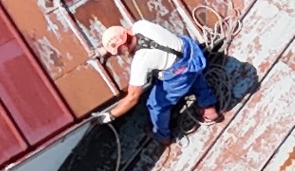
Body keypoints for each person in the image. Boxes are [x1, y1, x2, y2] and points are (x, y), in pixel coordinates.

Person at [91, 20, 220, 141]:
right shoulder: (141, 25)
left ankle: (162, 136)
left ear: (123, 48)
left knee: (156, 105)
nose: (118, 55)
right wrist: (105, 50)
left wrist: (110, 115)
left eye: (118, 52)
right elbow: (128, 33)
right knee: (195, 76)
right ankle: (209, 107)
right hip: (190, 51)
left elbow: (132, 98)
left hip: (179, 72)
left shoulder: (141, 61)